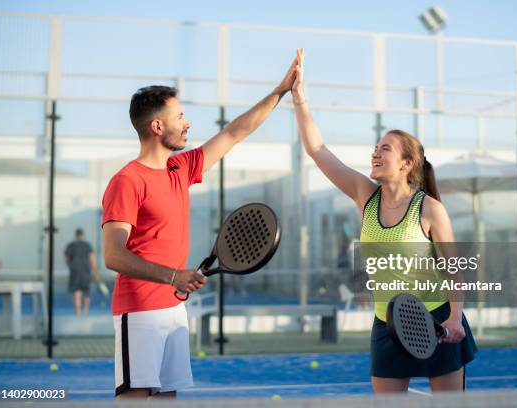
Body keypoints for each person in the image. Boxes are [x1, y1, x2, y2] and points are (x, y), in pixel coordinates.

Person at [101, 54, 298, 399]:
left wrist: (280, 91)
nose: (188, 123)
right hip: (140, 310)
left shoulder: (181, 167)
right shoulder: (127, 181)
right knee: (135, 398)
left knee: (167, 397)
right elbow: (113, 254)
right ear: (157, 127)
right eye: (180, 116)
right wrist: (173, 276)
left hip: (173, 310)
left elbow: (236, 132)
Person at [291, 48, 476, 393]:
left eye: (385, 149)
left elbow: (454, 267)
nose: (375, 153)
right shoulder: (365, 196)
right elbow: (318, 150)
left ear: (407, 164)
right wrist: (300, 99)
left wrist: (453, 318)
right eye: (375, 148)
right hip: (387, 325)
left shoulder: (430, 209)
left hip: (437, 318)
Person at [64, 228, 102, 317]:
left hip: (75, 272)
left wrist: (71, 266)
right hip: (85, 272)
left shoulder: (71, 245)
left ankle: (77, 313)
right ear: (83, 235)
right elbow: (92, 260)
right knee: (86, 292)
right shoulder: (87, 245)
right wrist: (96, 272)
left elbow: (66, 258)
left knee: (77, 292)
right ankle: (85, 312)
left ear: (76, 235)